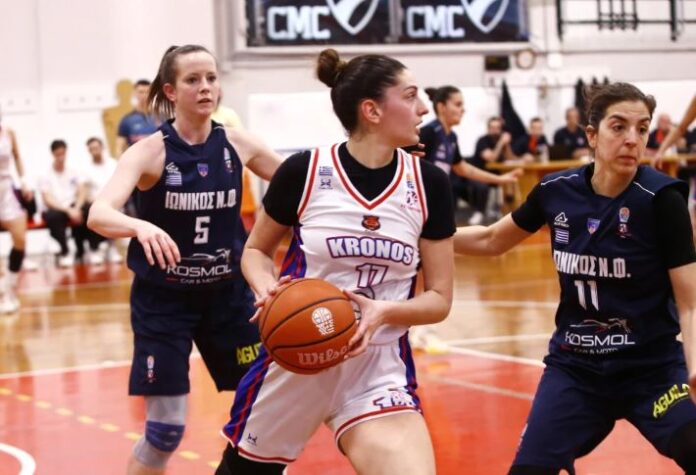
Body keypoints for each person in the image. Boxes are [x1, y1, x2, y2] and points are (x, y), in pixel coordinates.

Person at [216, 49, 455, 475]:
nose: (423, 108)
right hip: (297, 355)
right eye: (411, 96)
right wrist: (268, 291)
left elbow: (439, 299)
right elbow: (255, 251)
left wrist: (384, 312)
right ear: (372, 111)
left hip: (377, 365)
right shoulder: (304, 172)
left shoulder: (428, 184)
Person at [454, 82, 696, 474]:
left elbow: (691, 303)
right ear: (591, 135)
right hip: (577, 369)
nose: (632, 139)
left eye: (642, 129)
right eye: (618, 127)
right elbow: (491, 239)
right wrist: (422, 238)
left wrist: (695, 365)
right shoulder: (556, 190)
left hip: (652, 370)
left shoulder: (662, 199)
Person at [87, 44, 282, 475]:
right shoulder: (150, 152)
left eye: (211, 77)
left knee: (266, 419)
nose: (206, 87)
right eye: (193, 80)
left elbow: (299, 184)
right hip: (164, 302)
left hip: (229, 298)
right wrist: (139, 226)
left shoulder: (238, 144)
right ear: (171, 92)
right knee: (165, 432)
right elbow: (98, 213)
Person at [419, 86, 521, 226]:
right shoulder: (429, 132)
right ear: (442, 107)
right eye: (458, 104)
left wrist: (501, 179)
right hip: (421, 200)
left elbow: (464, 169)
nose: (463, 110)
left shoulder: (452, 137)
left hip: (438, 198)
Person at [39, 140, 88, 267]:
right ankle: (66, 251)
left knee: (88, 210)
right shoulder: (45, 174)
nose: (61, 157)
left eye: (63, 153)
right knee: (53, 217)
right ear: (53, 154)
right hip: (57, 207)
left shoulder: (74, 170)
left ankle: (88, 248)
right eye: (58, 154)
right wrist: (68, 210)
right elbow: (47, 199)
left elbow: (82, 191)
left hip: (73, 205)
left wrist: (77, 208)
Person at [0, 116, 32, 313]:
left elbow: (18, 157)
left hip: (6, 187)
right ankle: (3, 294)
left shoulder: (9, 132)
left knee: (20, 239)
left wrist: (24, 181)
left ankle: (9, 287)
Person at [83, 137, 120, 264]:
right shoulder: (86, 169)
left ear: (102, 147)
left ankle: (111, 247)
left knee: (113, 212)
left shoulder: (113, 164)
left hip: (115, 201)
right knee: (90, 212)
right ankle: (97, 248)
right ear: (89, 151)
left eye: (96, 147)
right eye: (91, 149)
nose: (95, 151)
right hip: (95, 203)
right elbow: (84, 190)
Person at [115, 79, 160, 157]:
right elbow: (119, 149)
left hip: (160, 161)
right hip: (137, 161)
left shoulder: (162, 117)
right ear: (134, 93)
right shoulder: (127, 120)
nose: (144, 95)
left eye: (147, 92)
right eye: (141, 92)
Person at [652, 95, 696, 167]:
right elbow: (680, 128)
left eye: (667, 122)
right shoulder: (653, 134)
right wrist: (660, 152)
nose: (665, 124)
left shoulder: (688, 134)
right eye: (662, 122)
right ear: (657, 123)